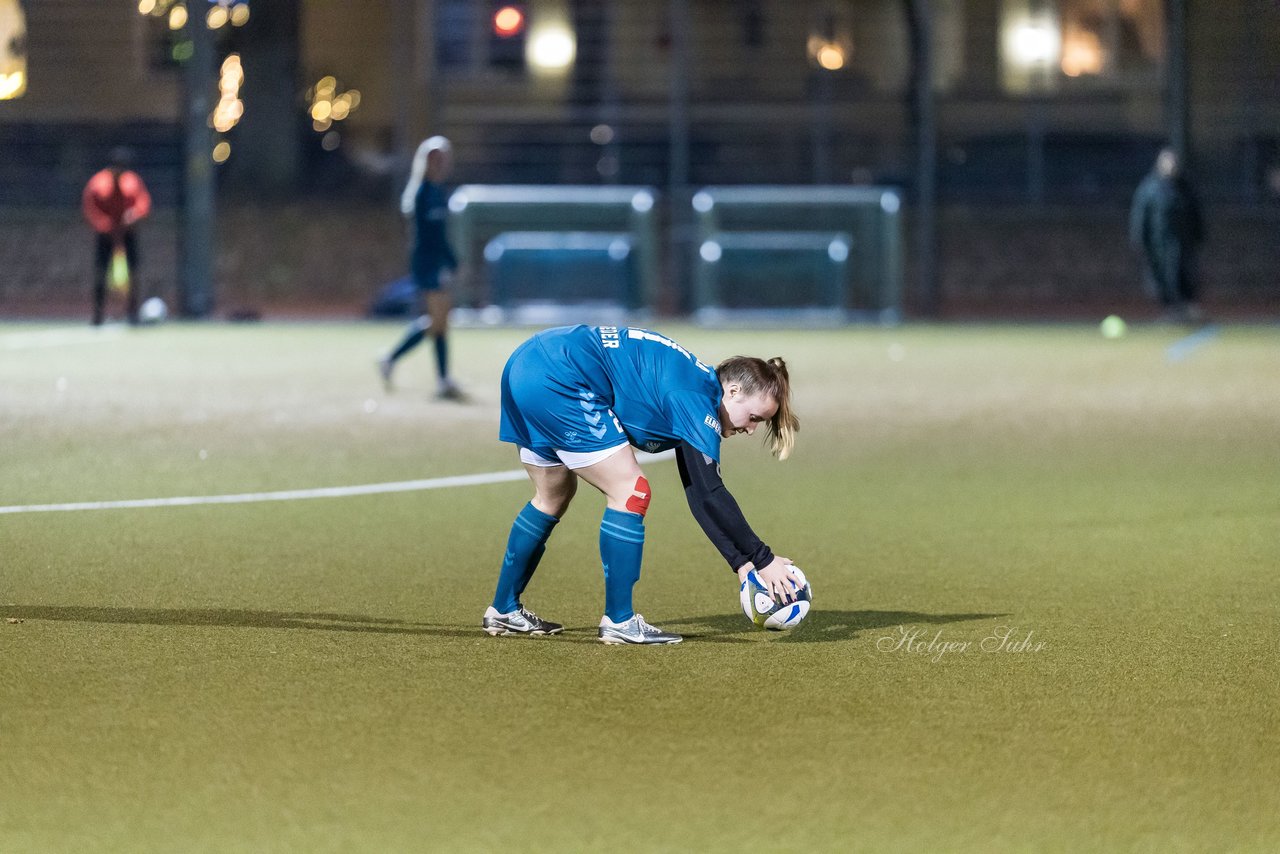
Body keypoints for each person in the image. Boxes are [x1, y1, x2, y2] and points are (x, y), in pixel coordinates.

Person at [483, 324, 803, 645]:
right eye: (754, 418)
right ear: (732, 391)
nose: (750, 430)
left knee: (552, 496)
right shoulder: (693, 398)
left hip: (528, 362)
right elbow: (710, 492)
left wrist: (741, 562)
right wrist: (764, 559)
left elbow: (696, 491)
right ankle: (620, 621)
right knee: (631, 491)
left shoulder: (694, 386)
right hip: (561, 377)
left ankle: (504, 609)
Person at [378, 136, 465, 400]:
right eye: (434, 158)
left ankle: (442, 379)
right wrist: (449, 262)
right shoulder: (423, 192)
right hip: (428, 263)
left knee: (441, 322)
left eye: (442, 158)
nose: (439, 163)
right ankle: (391, 358)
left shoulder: (437, 191)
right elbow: (431, 238)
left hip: (436, 262)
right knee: (438, 320)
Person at [1129, 147, 1206, 322]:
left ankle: (1189, 308)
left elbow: (1196, 213)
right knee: (1163, 276)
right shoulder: (1149, 188)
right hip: (1159, 243)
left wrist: (1199, 235)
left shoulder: (1185, 186)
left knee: (1186, 273)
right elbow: (1141, 215)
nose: (1171, 166)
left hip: (1184, 242)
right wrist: (1139, 238)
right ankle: (1171, 310)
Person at [82, 146, 151, 326]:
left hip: (128, 233)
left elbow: (143, 203)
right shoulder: (98, 183)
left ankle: (132, 312)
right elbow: (90, 208)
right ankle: (98, 314)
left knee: (133, 271)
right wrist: (104, 225)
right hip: (105, 234)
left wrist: (133, 216)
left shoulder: (132, 181)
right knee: (101, 272)